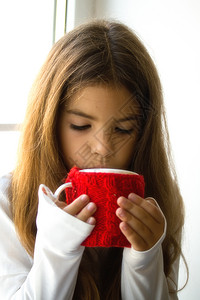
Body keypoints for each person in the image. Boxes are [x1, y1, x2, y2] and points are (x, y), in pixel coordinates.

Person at [0, 20, 186, 300]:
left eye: (123, 129)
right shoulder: (9, 200)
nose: (102, 148)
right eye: (80, 125)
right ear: (49, 124)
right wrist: (57, 249)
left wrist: (145, 261)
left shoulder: (160, 201)